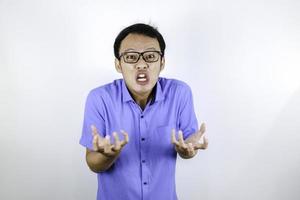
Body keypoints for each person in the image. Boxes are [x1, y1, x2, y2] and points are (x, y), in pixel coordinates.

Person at [79, 23, 208, 200]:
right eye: (131, 57)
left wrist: (188, 151)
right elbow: (93, 164)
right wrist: (107, 156)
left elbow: (188, 145)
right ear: (118, 64)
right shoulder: (99, 98)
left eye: (150, 56)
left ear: (162, 62)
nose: (141, 64)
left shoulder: (180, 93)